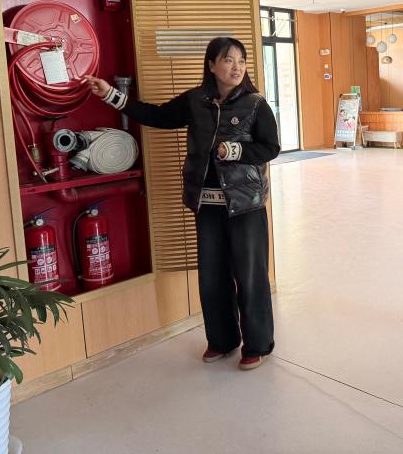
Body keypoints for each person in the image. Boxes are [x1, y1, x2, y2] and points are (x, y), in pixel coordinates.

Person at [83, 37, 280, 371]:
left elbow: (270, 147)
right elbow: (157, 116)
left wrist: (235, 150)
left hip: (245, 204)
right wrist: (111, 95)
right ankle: (222, 341)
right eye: (228, 60)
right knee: (212, 276)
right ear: (212, 65)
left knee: (250, 276)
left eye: (241, 61)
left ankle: (258, 344)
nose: (236, 67)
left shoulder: (255, 104)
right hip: (207, 203)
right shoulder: (195, 101)